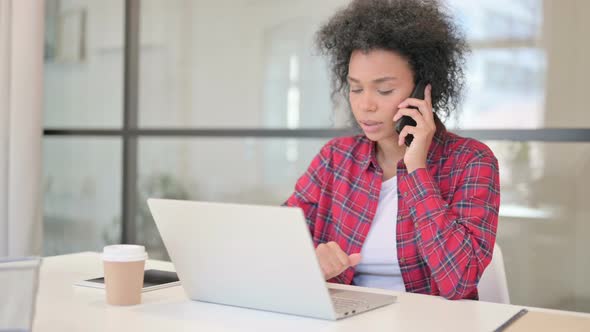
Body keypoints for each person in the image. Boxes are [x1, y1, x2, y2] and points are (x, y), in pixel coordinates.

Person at [284, 0, 500, 300]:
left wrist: (417, 169)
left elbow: (459, 281)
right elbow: (278, 241)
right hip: (349, 319)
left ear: (423, 89)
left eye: (384, 90)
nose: (365, 104)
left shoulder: (471, 162)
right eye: (356, 88)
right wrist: (309, 262)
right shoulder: (336, 158)